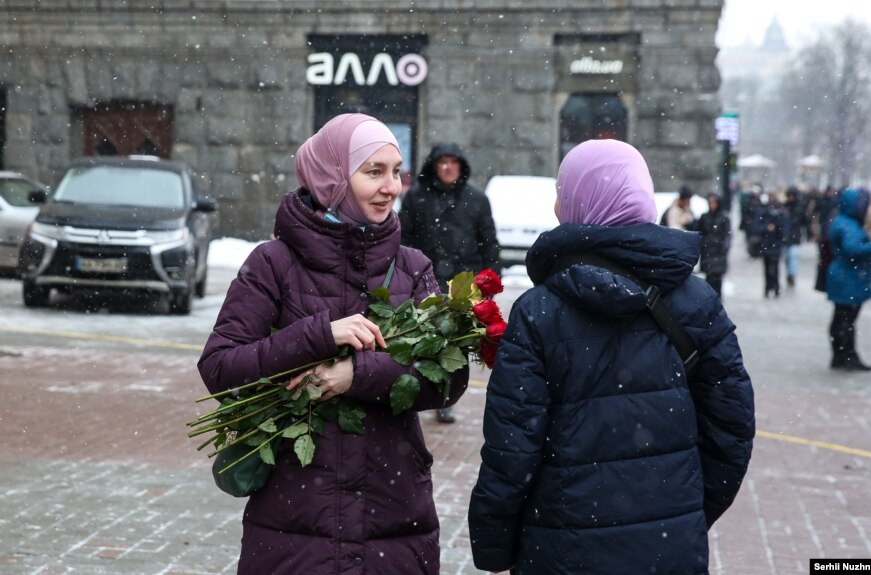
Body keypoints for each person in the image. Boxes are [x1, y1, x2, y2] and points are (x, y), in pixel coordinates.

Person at [197, 114, 469, 574]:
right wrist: (319, 335)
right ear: (333, 176)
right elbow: (222, 368)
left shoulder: (413, 268)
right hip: (296, 524)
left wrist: (355, 376)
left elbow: (449, 378)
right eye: (373, 171)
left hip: (393, 516)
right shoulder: (274, 264)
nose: (391, 187)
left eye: (395, 171)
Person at [467, 139, 755, 575]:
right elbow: (732, 428)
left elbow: (512, 447)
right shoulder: (696, 302)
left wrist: (493, 544)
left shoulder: (540, 311)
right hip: (668, 547)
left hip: (561, 544)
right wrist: (685, 511)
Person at [400, 142, 498, 423]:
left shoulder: (476, 200)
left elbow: (489, 243)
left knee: (456, 344)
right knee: (423, 341)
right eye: (442, 161)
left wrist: (487, 283)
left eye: (453, 162)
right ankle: (420, 392)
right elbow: (403, 238)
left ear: (461, 166)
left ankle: (445, 397)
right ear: (433, 165)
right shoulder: (416, 198)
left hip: (464, 282)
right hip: (425, 281)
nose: (447, 167)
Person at [827, 188, 871, 371]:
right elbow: (851, 249)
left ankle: (840, 355)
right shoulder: (849, 224)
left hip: (844, 276)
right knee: (846, 320)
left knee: (841, 318)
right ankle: (847, 356)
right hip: (849, 277)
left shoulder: (842, 221)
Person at [695, 192, 732, 296]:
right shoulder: (704, 217)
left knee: (717, 279)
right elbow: (699, 231)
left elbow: (727, 235)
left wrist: (724, 247)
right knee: (709, 280)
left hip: (718, 252)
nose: (712, 205)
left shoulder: (723, 218)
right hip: (708, 252)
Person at [756, 193, 788, 298]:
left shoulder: (781, 215)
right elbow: (757, 227)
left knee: (775, 267)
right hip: (767, 245)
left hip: (775, 245)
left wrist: (776, 228)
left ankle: (775, 287)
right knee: (767, 267)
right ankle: (769, 287)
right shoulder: (764, 213)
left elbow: (784, 231)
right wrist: (766, 228)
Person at [782, 186, 804, 287]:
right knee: (787, 257)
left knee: (793, 256)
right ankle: (790, 273)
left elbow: (804, 221)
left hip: (795, 236)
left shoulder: (799, 207)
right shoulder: (785, 206)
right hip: (786, 236)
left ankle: (792, 274)